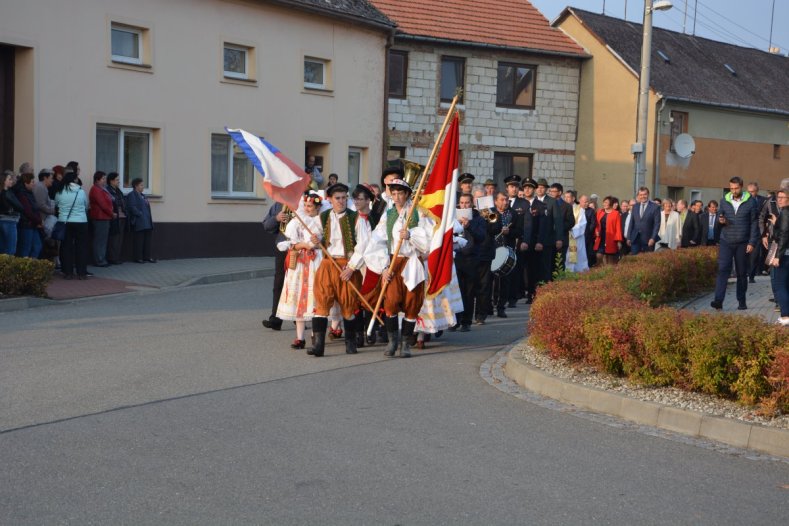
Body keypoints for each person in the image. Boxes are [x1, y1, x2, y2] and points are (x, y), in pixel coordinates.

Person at [363, 179, 433, 357]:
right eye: (393, 194)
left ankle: (406, 344)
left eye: (400, 193)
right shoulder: (389, 214)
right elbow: (377, 240)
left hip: (412, 262)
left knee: (412, 303)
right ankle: (393, 341)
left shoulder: (418, 213)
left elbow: (428, 240)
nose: (396, 197)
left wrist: (411, 236)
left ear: (407, 194)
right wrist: (384, 267)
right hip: (394, 261)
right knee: (391, 302)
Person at [308, 182, 371, 357]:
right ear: (330, 199)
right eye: (337, 198)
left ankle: (350, 344)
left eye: (344, 198)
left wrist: (351, 267)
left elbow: (364, 245)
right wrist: (315, 239)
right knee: (321, 302)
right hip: (328, 264)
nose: (341, 201)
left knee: (349, 304)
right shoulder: (323, 216)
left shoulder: (356, 218)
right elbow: (315, 234)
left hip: (347, 266)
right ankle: (318, 346)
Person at [276, 193, 323, 348]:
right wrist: (301, 245)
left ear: (317, 207)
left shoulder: (322, 222)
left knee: (314, 298)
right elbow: (291, 244)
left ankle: (314, 335)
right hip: (300, 264)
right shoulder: (297, 222)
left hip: (316, 262)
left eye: (310, 206)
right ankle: (299, 337)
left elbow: (323, 243)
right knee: (299, 300)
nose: (307, 208)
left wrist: (315, 243)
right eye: (306, 205)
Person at [710, 177, 759, 311]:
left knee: (741, 273)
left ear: (741, 186)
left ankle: (741, 301)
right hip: (726, 240)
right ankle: (718, 301)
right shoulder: (724, 200)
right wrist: (721, 220)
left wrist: (752, 242)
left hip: (743, 242)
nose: (733, 190)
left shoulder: (750, 202)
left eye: (736, 188)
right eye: (731, 188)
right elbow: (720, 215)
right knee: (722, 270)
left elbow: (754, 223)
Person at [454, 193, 486, 331]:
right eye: (462, 203)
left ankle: (466, 321)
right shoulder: (454, 217)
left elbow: (481, 237)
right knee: (456, 291)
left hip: (471, 258)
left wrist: (468, 226)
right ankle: (455, 320)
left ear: (472, 204)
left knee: (469, 291)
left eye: (467, 203)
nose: (464, 205)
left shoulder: (478, 219)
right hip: (457, 257)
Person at [54, 171, 89, 279]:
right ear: (74, 180)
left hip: (65, 222)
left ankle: (67, 272)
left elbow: (57, 205)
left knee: (66, 247)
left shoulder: (59, 191)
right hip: (81, 222)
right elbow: (86, 205)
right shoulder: (81, 191)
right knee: (81, 247)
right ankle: (81, 273)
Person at [261, 201, 289, 331]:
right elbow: (267, 225)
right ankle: (276, 319)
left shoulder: (306, 200)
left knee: (300, 284)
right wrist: (276, 218)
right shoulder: (280, 204)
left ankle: (299, 318)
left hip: (302, 249)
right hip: (283, 248)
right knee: (279, 283)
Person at [768, 189, 789, 325]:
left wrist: (777, 256)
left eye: (782, 197)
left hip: (785, 254)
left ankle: (786, 316)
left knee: (780, 284)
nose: (779, 200)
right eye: (778, 197)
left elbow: (784, 235)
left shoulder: (786, 213)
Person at [126, 178, 156, 264]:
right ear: (136, 186)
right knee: (139, 241)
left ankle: (147, 257)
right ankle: (138, 258)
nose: (143, 187)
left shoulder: (143, 195)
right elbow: (132, 207)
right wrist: (139, 214)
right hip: (139, 221)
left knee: (147, 241)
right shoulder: (132, 195)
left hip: (147, 221)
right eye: (141, 185)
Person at [14, 173, 44, 258]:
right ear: (26, 183)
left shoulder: (29, 193)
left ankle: (31, 268)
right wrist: (39, 221)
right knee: (25, 249)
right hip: (26, 224)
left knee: (37, 246)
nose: (34, 184)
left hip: (32, 224)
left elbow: (34, 208)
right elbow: (28, 211)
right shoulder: (22, 194)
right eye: (32, 182)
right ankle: (25, 269)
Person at [88, 171, 113, 267]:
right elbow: (103, 205)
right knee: (100, 240)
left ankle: (101, 258)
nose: (105, 181)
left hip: (104, 217)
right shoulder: (96, 189)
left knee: (102, 240)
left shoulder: (101, 189)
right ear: (97, 180)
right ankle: (99, 260)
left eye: (105, 179)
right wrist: (112, 214)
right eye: (103, 179)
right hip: (100, 217)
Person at [627, 186, 661, 254]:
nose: (642, 196)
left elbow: (657, 224)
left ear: (648, 194)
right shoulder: (635, 206)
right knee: (634, 260)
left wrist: (653, 238)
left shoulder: (655, 207)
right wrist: (628, 237)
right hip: (635, 238)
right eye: (641, 195)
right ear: (638, 196)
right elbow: (631, 223)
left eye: (644, 194)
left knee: (647, 261)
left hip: (648, 239)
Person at [747, 182, 767, 281]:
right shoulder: (743, 200)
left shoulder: (763, 200)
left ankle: (751, 276)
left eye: (753, 192)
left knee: (754, 255)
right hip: (745, 231)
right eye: (749, 191)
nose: (750, 194)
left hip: (758, 232)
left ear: (757, 191)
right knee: (744, 254)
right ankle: (743, 273)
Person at [594, 196, 623, 266]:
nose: (604, 204)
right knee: (599, 255)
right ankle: (601, 269)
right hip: (601, 237)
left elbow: (618, 228)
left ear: (611, 203)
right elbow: (597, 225)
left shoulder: (616, 213)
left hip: (611, 238)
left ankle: (610, 273)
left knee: (610, 259)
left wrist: (618, 241)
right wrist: (596, 232)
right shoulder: (599, 212)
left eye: (606, 202)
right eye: (604, 202)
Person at [105, 172, 127, 265]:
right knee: (113, 239)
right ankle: (112, 258)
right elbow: (111, 203)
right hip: (114, 218)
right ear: (111, 181)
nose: (119, 182)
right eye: (117, 180)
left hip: (122, 217)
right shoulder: (108, 190)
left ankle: (117, 257)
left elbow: (123, 202)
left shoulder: (118, 191)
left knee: (120, 239)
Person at [0, 171, 23, 255]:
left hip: (2, 221)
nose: (11, 181)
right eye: (9, 179)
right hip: (9, 221)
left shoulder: (7, 192)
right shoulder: (7, 193)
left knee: (2, 250)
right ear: (4, 181)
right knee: (10, 249)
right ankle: (7, 268)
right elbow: (20, 207)